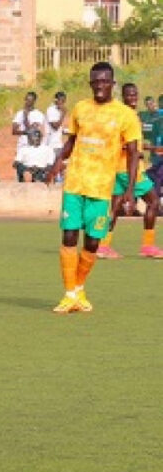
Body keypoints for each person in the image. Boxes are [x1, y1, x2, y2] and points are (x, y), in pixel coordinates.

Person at [45, 62, 142, 313]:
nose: (99, 85)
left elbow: (133, 154)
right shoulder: (80, 108)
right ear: (90, 83)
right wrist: (58, 161)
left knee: (92, 243)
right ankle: (69, 294)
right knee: (69, 236)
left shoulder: (125, 115)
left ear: (112, 84)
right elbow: (72, 141)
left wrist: (130, 190)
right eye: (95, 81)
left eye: (104, 81)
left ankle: (78, 288)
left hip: (101, 188)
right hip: (75, 183)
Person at [96, 83, 163, 259]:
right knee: (154, 202)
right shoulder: (127, 116)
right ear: (123, 96)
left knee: (115, 207)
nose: (133, 98)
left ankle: (103, 246)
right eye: (129, 95)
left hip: (117, 168)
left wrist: (151, 148)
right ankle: (148, 246)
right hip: (129, 169)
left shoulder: (123, 114)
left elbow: (132, 142)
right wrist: (133, 152)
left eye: (135, 94)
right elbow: (122, 143)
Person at [12, 92, 46, 182]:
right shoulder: (19, 113)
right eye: (26, 99)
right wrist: (26, 132)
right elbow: (14, 131)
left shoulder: (38, 114)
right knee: (20, 170)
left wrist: (26, 117)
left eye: (30, 100)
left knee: (34, 172)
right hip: (22, 146)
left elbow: (32, 131)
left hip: (33, 148)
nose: (27, 102)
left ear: (34, 101)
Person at [45, 92, 67, 180]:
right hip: (51, 144)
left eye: (64, 101)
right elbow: (55, 126)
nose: (62, 104)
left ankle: (59, 181)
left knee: (61, 165)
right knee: (53, 165)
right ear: (56, 100)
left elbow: (59, 128)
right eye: (61, 101)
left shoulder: (59, 111)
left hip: (58, 143)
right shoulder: (51, 110)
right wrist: (63, 114)